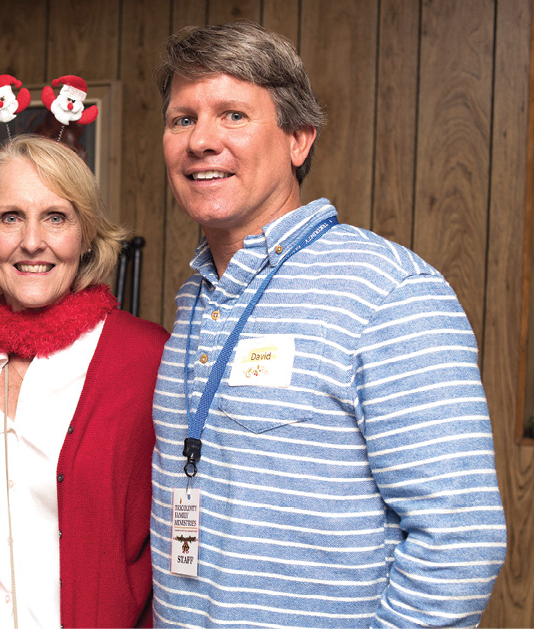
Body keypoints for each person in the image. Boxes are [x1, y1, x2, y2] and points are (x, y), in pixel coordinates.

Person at [150, 21, 506, 628]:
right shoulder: (196, 299)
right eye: (183, 119)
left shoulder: (389, 292)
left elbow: (460, 539)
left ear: (299, 139)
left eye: (233, 115)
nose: (200, 141)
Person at [0, 135, 168, 628]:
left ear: (86, 235)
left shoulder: (145, 357)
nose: (32, 241)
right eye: (10, 217)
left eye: (56, 217)